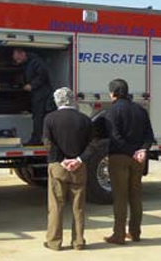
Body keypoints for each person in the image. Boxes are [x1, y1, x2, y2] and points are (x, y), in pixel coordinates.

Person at [103, 79, 155, 245]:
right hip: (138, 159)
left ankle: (118, 235)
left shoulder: (112, 111)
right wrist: (142, 150)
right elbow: (149, 136)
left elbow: (115, 137)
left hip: (119, 157)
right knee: (135, 196)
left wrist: (130, 151)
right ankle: (135, 232)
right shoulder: (140, 110)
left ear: (113, 93)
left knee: (120, 197)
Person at [43, 87, 93, 251]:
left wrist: (62, 160)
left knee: (56, 205)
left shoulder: (50, 118)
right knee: (78, 207)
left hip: (58, 166)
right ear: (73, 100)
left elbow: (48, 143)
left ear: (57, 100)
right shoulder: (85, 119)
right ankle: (78, 241)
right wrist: (78, 160)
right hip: (78, 167)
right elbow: (92, 145)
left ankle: (54, 242)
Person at [12, 48, 54, 146]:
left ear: (22, 53)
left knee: (38, 117)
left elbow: (43, 75)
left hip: (42, 94)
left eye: (18, 59)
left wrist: (32, 85)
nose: (17, 62)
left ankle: (37, 140)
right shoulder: (29, 62)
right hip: (37, 94)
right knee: (38, 117)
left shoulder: (36, 62)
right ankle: (39, 138)